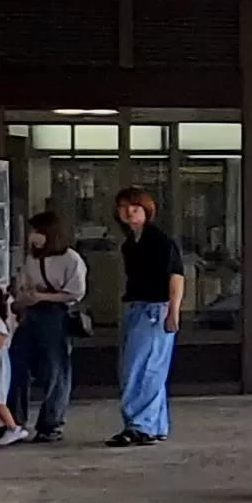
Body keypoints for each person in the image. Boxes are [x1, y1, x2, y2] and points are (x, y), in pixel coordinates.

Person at [109, 186, 180, 444]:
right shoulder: (130, 243)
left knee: (142, 368)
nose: (129, 213)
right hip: (136, 306)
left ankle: (140, 425)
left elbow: (176, 276)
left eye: (135, 208)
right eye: (124, 208)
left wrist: (173, 311)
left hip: (154, 308)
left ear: (146, 211)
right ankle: (155, 424)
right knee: (144, 367)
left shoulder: (159, 241)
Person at [7, 211, 83, 445]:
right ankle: (15, 420)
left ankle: (50, 424)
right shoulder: (32, 258)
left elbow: (75, 293)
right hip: (32, 314)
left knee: (55, 370)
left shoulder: (71, 259)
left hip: (55, 315)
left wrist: (41, 296)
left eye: (38, 232)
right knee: (16, 364)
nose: (34, 237)